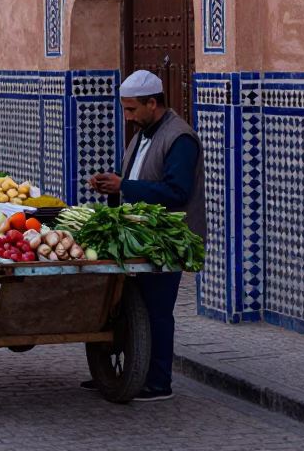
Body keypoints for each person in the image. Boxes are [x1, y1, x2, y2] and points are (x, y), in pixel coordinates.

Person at [84, 69, 206, 403]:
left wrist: (124, 185)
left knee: (156, 310)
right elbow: (137, 177)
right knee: (122, 305)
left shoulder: (180, 138)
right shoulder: (142, 133)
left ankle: (158, 381)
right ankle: (116, 375)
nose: (127, 116)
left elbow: (176, 191)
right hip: (137, 237)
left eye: (132, 109)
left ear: (153, 103)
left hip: (165, 240)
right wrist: (112, 184)